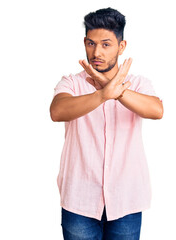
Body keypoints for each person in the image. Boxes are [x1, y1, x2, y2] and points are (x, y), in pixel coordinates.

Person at [50, 7, 163, 240]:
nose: (96, 52)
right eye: (91, 44)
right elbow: (57, 111)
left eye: (106, 44)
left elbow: (156, 110)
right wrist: (102, 95)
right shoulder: (71, 83)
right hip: (79, 201)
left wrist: (117, 92)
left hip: (126, 202)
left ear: (121, 46)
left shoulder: (138, 83)